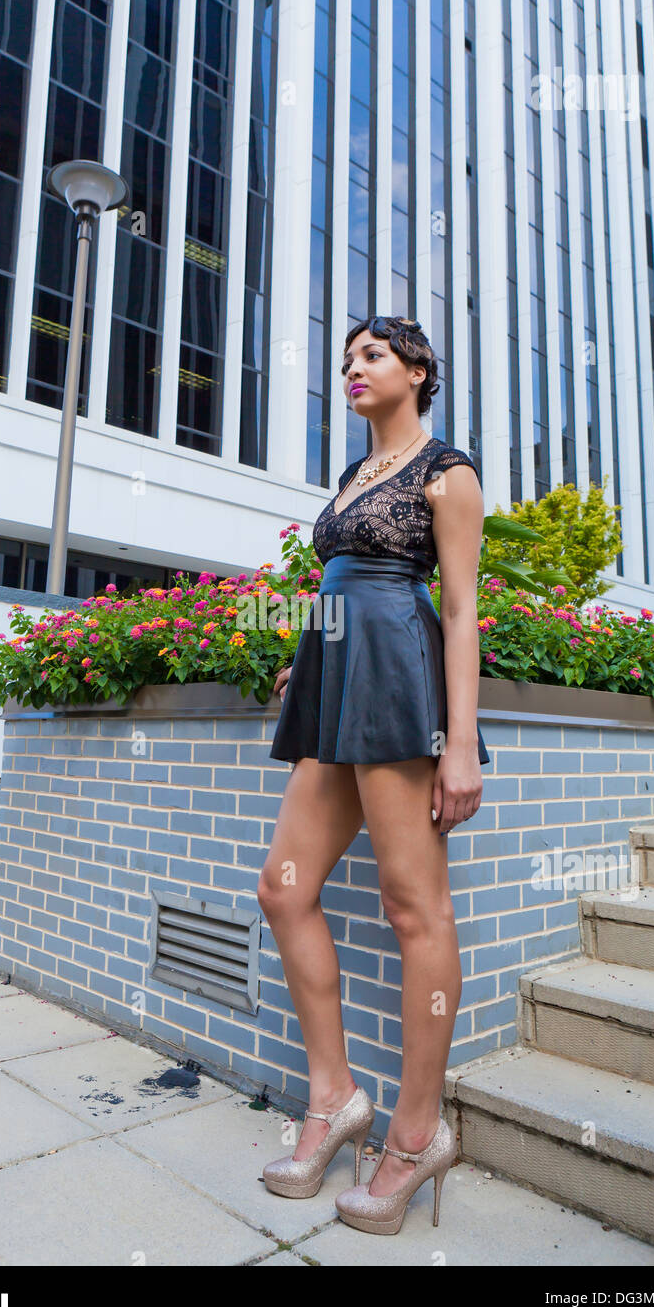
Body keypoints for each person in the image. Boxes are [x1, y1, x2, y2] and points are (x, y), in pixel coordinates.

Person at [256, 314, 490, 1235]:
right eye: (348, 357)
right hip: (338, 676)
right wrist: (306, 657)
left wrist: (460, 743)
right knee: (283, 888)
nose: (352, 368)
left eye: (373, 355)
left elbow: (464, 611)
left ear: (418, 370)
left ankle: (416, 1134)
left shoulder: (448, 470)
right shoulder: (355, 476)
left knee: (412, 908)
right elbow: (340, 580)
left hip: (400, 681)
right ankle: (334, 1100)